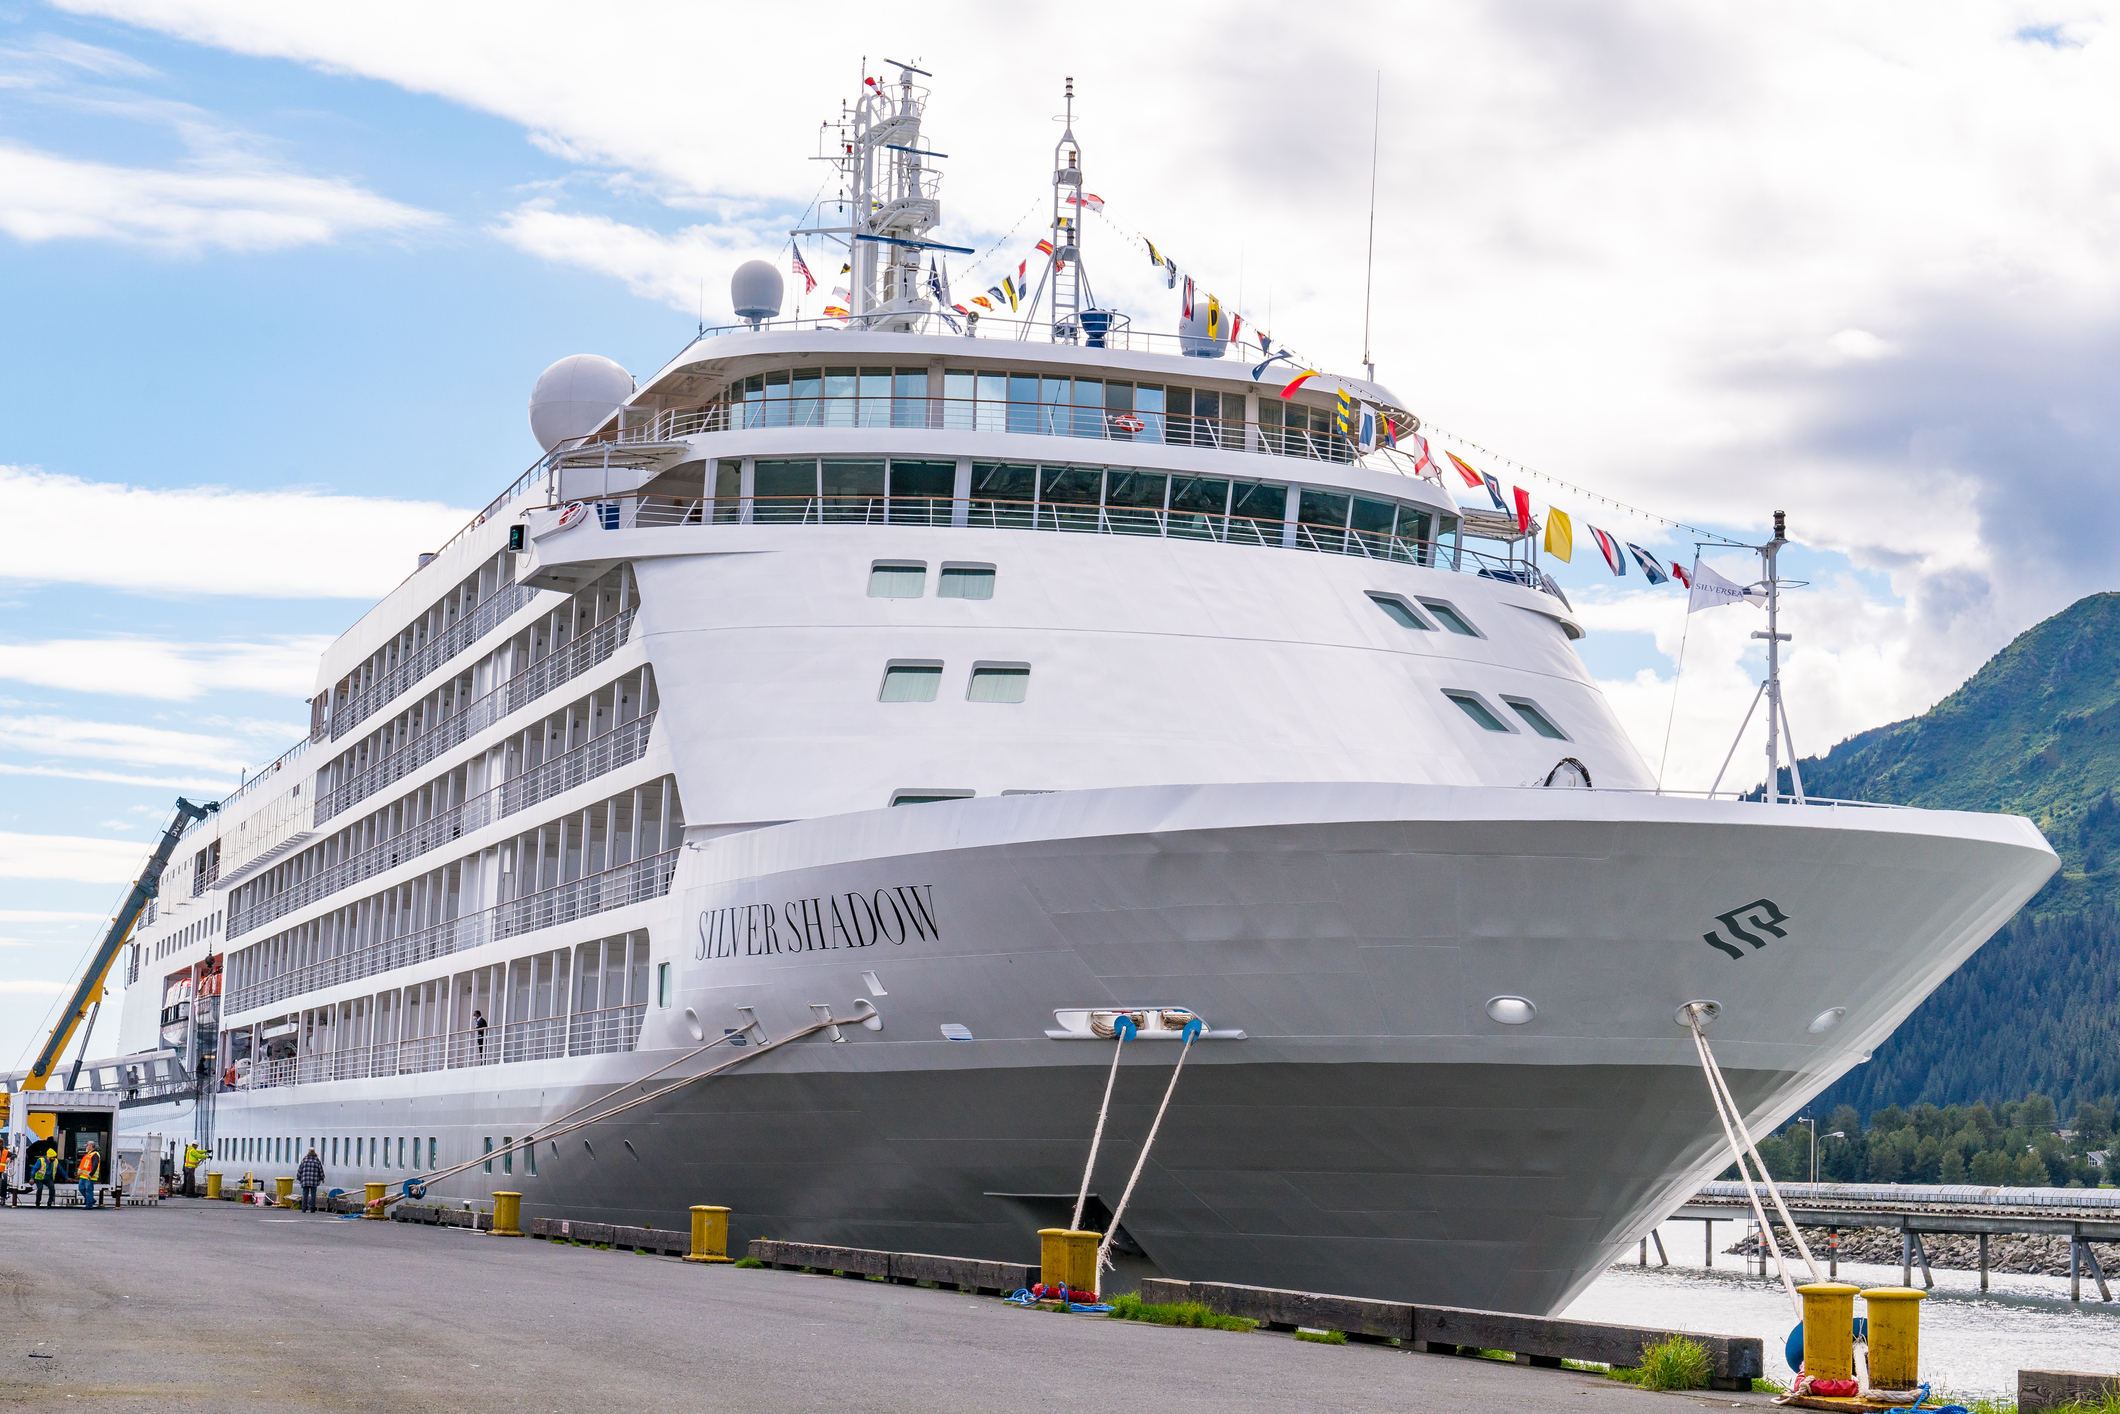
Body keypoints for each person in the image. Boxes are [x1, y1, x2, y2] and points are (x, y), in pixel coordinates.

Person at [296, 1145, 324, 1212]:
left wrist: (298, 1177)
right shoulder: (317, 1161)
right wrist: (322, 1178)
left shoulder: (304, 1160)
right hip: (314, 1181)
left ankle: (304, 1208)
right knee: (313, 1194)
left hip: (305, 1180)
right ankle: (312, 1208)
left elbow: (300, 1169)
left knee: (305, 1194)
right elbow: (320, 1170)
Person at [75, 1141, 102, 1209]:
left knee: (88, 1190)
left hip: (89, 1176)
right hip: (84, 1176)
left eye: (87, 1146)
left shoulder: (95, 1155)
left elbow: (95, 1165)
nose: (86, 1147)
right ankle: (91, 1200)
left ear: (91, 1146)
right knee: (81, 1188)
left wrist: (91, 1174)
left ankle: (89, 1205)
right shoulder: (89, 1154)